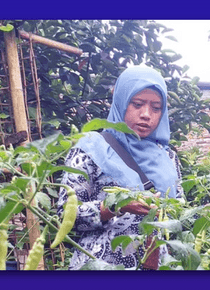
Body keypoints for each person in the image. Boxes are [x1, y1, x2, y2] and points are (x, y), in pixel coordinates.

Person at [57, 66, 184, 270]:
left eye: (156, 107)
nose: (146, 114)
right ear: (122, 102)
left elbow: (179, 216)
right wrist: (115, 206)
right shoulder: (90, 148)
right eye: (137, 104)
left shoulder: (168, 157)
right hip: (100, 266)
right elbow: (65, 217)